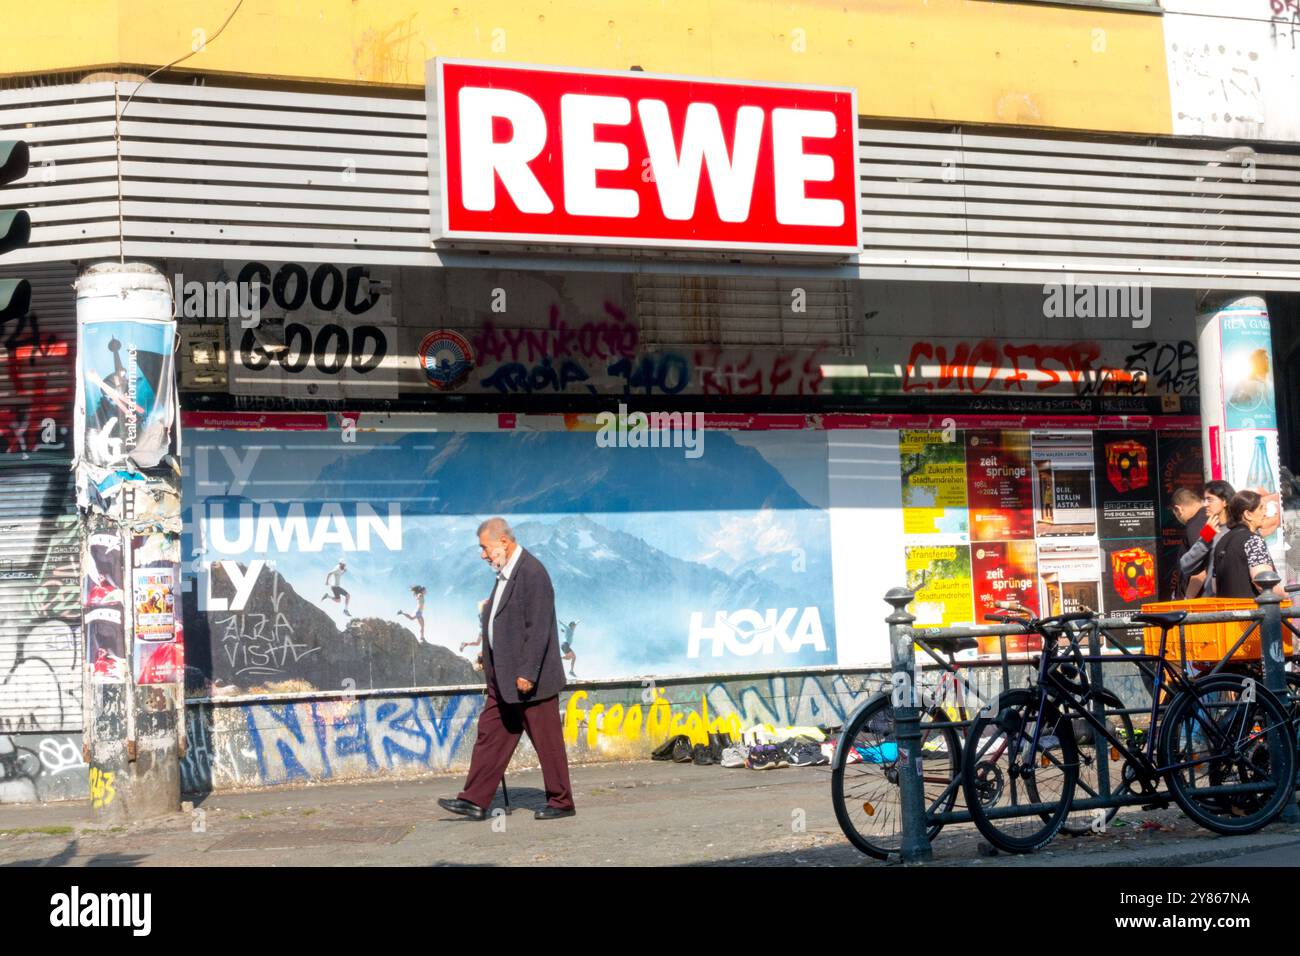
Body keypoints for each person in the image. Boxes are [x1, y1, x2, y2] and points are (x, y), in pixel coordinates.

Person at [438, 518, 575, 821]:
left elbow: (539, 627)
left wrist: (527, 672)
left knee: (547, 741)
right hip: (503, 678)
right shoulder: (506, 573)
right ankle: (474, 800)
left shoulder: (532, 572)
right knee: (491, 735)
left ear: (503, 541)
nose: (482, 555)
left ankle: (562, 801)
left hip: (528, 681)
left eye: (484, 548)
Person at [1213, 490, 1287, 599]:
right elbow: (1264, 583)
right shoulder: (1253, 540)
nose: (1265, 513)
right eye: (1261, 508)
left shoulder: (1221, 541)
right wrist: (1285, 595)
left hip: (1227, 613)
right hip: (1253, 612)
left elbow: (1214, 586)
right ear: (1248, 514)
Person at [1179, 480, 1234, 598]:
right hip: (1212, 602)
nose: (1205, 504)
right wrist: (1206, 537)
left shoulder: (1240, 529)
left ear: (1224, 501)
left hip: (1238, 600)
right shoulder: (1210, 530)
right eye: (1204, 500)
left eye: (1210, 499)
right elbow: (1186, 565)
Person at [1169, 487, 1207, 598]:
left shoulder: (1195, 524)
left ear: (1178, 509)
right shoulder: (1208, 518)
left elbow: (1201, 570)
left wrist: (1188, 599)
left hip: (1197, 601)